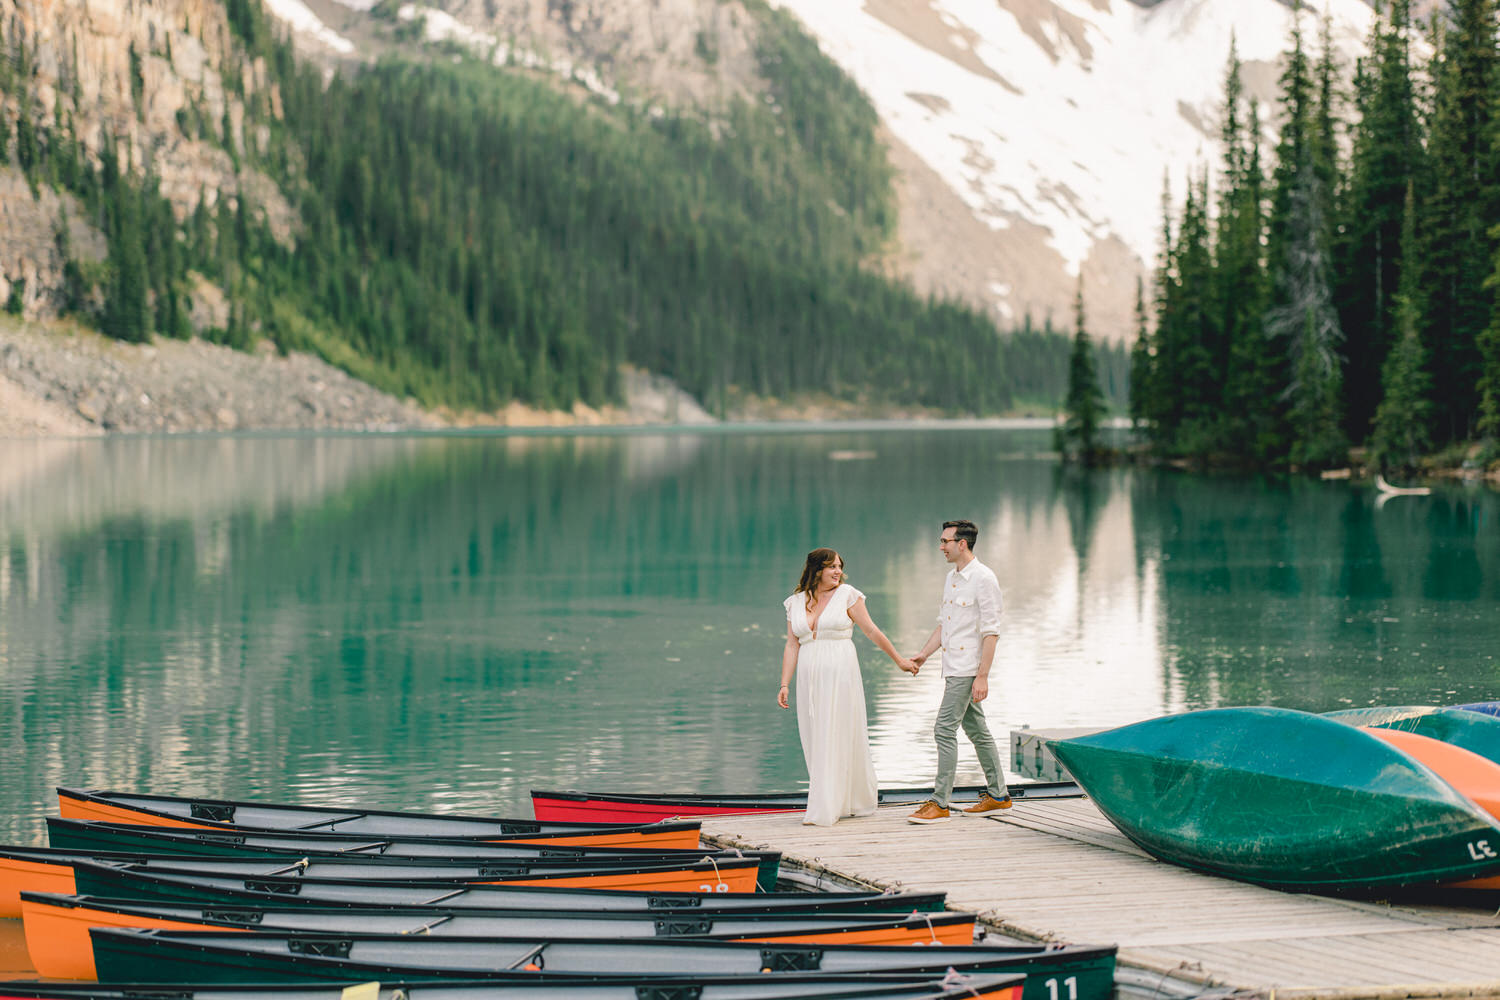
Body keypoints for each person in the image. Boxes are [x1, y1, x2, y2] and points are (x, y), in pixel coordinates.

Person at [778, 547, 918, 826]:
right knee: (814, 734)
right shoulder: (794, 602)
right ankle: (829, 799)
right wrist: (784, 683)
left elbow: (871, 630)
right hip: (808, 672)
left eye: (840, 566)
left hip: (840, 669)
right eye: (832, 567)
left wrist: (899, 660)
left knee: (836, 731)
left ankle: (830, 805)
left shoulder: (848, 595)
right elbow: (792, 644)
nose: (838, 571)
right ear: (816, 570)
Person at [905, 519, 1012, 824]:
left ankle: (940, 803)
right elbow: (945, 624)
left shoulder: (984, 578)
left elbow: (992, 631)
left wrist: (983, 676)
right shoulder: (953, 578)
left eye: (945, 542)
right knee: (977, 730)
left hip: (968, 669)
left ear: (961, 544)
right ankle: (999, 796)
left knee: (943, 728)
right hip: (953, 667)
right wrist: (924, 655)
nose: (941, 547)